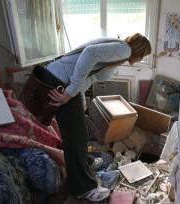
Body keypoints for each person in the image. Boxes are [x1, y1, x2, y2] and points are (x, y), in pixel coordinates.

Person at [30, 33, 151, 203]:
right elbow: (89, 54)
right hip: (60, 83)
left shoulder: (117, 47)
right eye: (143, 56)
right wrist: (70, 91)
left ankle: (85, 163)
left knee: (79, 134)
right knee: (76, 138)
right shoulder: (123, 50)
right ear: (140, 51)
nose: (140, 59)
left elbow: (91, 74)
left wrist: (77, 97)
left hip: (59, 80)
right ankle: (83, 188)